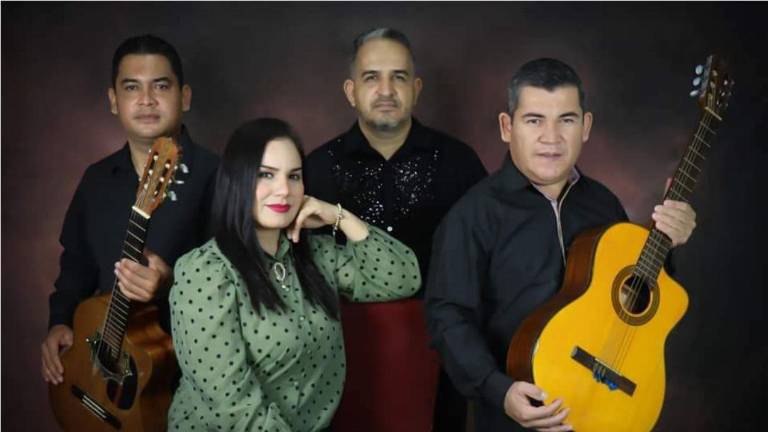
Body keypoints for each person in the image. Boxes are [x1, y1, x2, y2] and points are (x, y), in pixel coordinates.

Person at [424, 58, 697, 432]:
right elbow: (447, 317)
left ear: (586, 126)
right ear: (507, 127)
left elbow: (637, 296)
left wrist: (667, 241)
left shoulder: (604, 204)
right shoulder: (471, 215)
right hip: (517, 418)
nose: (551, 137)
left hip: (608, 409)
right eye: (534, 120)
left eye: (566, 120)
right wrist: (498, 389)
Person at [167, 118, 422, 431]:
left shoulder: (316, 256)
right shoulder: (205, 272)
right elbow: (233, 409)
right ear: (237, 180)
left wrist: (337, 216)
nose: (284, 190)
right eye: (266, 175)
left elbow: (404, 277)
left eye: (294, 176)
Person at [304, 27, 486, 432]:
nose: (386, 90)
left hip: (442, 357)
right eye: (372, 77)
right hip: (341, 360)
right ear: (351, 91)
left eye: (398, 77)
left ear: (416, 88)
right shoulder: (315, 169)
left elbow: (485, 263)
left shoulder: (460, 163)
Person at [41, 34, 219, 385]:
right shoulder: (95, 179)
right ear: (114, 101)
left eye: (161, 86)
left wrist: (173, 284)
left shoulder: (220, 176)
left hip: (191, 373)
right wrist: (59, 322)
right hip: (109, 377)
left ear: (184, 97)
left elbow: (241, 279)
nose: (146, 100)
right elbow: (76, 266)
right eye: (132, 87)